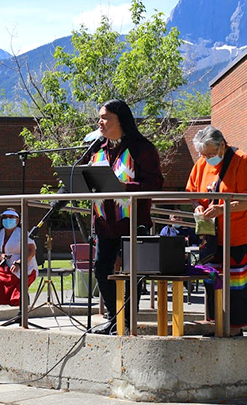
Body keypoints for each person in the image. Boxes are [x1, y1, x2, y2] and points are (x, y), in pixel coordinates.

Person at [84, 99, 164, 335]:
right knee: (101, 270)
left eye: (105, 117)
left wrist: (123, 186)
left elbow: (155, 183)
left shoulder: (142, 148)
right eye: (99, 117)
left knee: (131, 275)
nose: (100, 121)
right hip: (104, 223)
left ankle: (127, 323)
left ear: (121, 119)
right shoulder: (97, 148)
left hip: (132, 222)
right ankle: (113, 318)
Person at [185, 125, 247, 337]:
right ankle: (218, 326)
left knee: (238, 289)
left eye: (211, 153)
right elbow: (193, 193)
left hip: (242, 236)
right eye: (203, 154)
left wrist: (222, 208)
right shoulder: (201, 164)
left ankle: (234, 331)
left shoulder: (241, 160)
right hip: (214, 237)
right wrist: (197, 205)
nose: (207, 158)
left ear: (222, 145)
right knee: (215, 284)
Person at [0, 208, 38, 308]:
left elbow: (31, 250)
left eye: (11, 217)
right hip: (0, 269)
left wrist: (19, 263)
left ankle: (19, 315)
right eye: (5, 217)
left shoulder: (24, 233)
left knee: (17, 292)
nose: (8, 219)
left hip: (22, 270)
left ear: (18, 219)